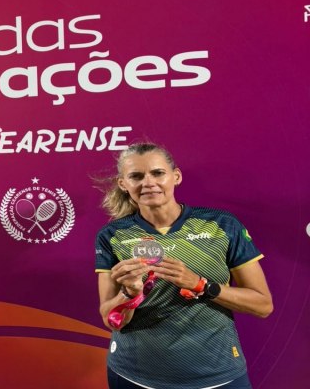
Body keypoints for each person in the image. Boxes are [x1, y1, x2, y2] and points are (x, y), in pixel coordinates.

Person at [94, 143, 273, 389]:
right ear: (123, 184)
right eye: (136, 176)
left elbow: (262, 305)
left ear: (176, 176)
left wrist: (201, 285)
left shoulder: (221, 225)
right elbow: (111, 319)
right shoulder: (112, 235)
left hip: (218, 374)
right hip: (135, 376)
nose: (148, 183)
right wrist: (128, 293)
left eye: (157, 173)